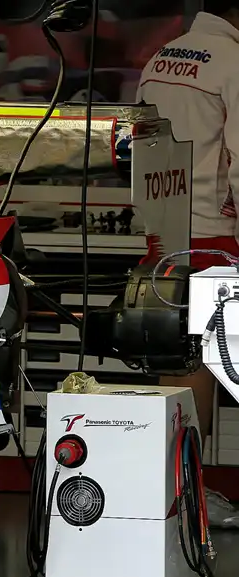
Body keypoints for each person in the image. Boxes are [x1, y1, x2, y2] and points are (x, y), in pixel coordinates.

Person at [137, 2, 239, 527]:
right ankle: (190, 497)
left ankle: (178, 494)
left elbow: (136, 145)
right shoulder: (231, 61)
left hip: (164, 233)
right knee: (200, 363)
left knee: (178, 363)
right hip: (216, 238)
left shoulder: (160, 58)